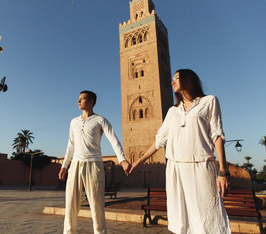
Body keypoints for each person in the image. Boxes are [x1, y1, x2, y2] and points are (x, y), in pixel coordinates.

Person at [130, 69, 231, 234]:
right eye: (172, 79)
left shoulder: (209, 101)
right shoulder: (172, 112)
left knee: (208, 217)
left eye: (176, 78)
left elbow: (217, 134)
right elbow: (159, 141)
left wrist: (223, 171)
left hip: (202, 167)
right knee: (181, 220)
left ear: (188, 79)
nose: (172, 82)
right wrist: (137, 162)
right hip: (176, 170)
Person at [59, 90, 131, 234]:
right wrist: (64, 166)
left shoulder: (100, 120)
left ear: (91, 102)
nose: (78, 101)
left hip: (94, 166)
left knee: (97, 207)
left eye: (82, 99)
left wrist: (122, 160)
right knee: (71, 205)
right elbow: (70, 145)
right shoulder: (73, 122)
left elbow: (113, 139)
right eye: (78, 98)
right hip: (75, 165)